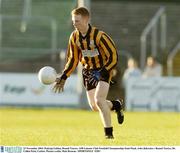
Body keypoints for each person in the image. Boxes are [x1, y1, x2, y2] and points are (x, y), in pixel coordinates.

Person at [53, 7, 124, 139]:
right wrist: (64, 76)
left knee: (99, 100)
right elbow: (73, 59)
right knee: (95, 106)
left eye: (77, 21)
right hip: (88, 72)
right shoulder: (74, 37)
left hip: (104, 69)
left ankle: (109, 134)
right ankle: (116, 105)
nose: (74, 23)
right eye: (73, 21)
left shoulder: (99, 36)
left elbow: (113, 56)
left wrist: (105, 70)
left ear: (86, 20)